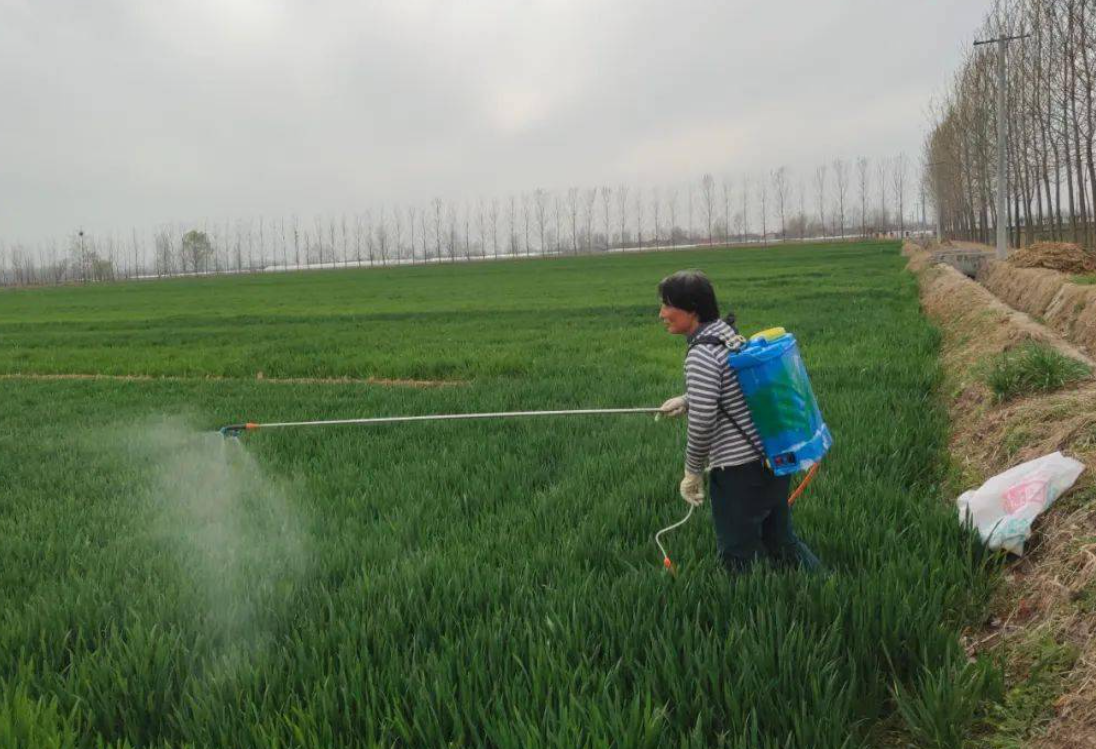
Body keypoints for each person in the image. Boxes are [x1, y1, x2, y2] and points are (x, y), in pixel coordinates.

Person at [656, 270, 820, 574]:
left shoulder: (701, 353)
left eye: (667, 305)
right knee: (781, 540)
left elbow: (703, 422)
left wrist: (692, 472)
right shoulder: (727, 334)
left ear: (691, 309)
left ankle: (750, 615)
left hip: (739, 473)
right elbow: (732, 388)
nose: (662, 314)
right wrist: (688, 400)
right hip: (770, 460)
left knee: (737, 555)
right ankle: (825, 587)